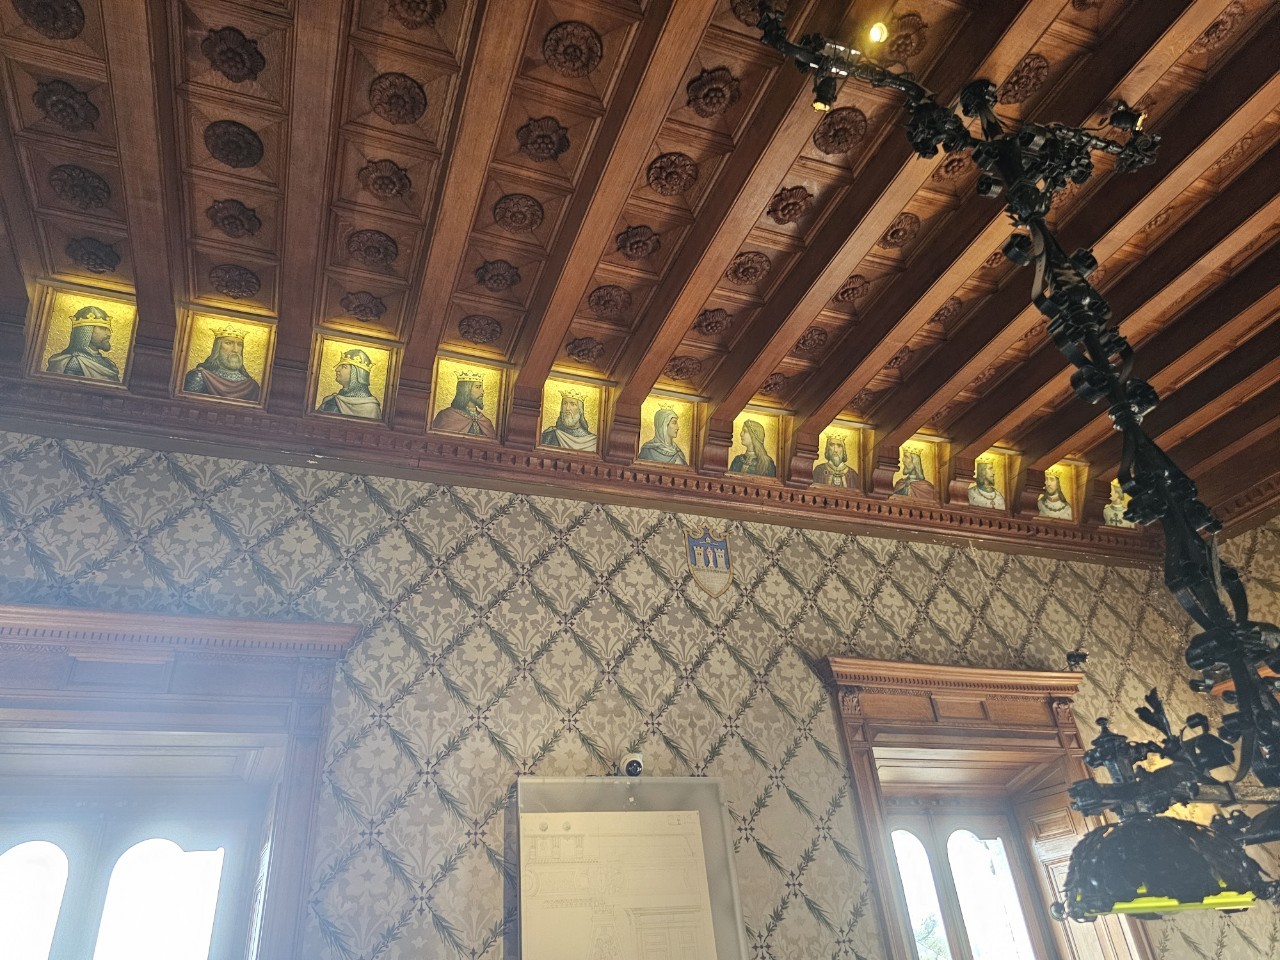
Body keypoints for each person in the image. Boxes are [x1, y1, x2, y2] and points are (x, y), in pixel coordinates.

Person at [182, 326, 260, 401]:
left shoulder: (252, 386)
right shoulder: (200, 377)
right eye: (229, 343)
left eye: (239, 344)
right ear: (217, 348)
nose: (235, 350)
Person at [46, 305, 121, 382]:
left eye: (108, 329)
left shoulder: (108, 363)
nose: (109, 334)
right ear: (86, 331)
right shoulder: (74, 363)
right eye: (102, 328)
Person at [318, 348, 383, 420]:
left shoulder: (371, 408)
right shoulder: (331, 401)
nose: (337, 369)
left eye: (344, 367)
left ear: (356, 373)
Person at [431, 373, 496, 438]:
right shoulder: (446, 416)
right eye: (478, 387)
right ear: (465, 389)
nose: (482, 392)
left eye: (482, 388)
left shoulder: (486, 422)